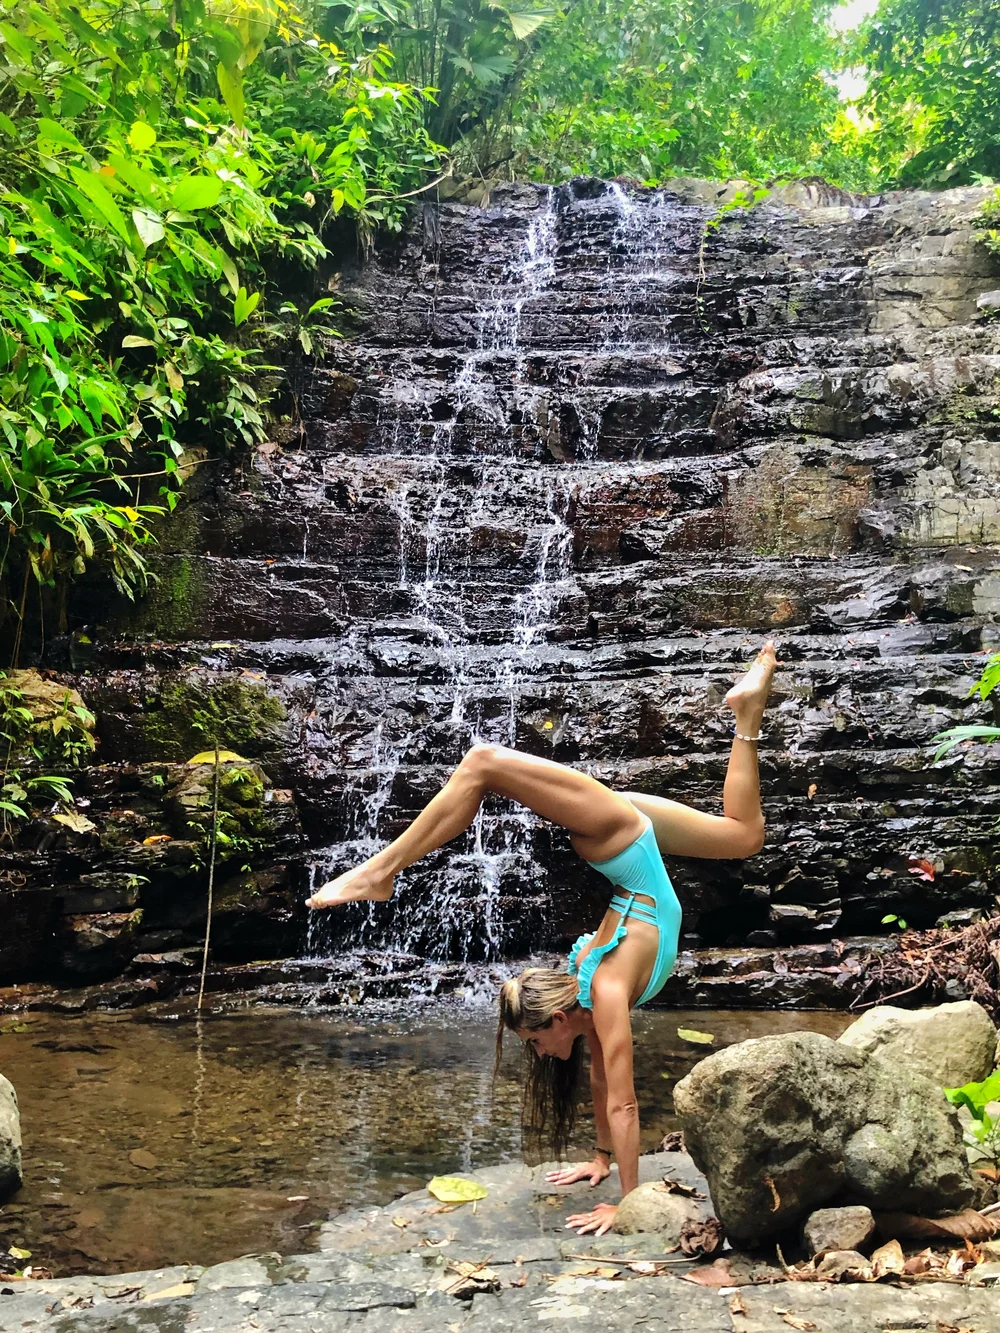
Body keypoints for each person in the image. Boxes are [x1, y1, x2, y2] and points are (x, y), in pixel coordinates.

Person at [307, 642, 777, 1236]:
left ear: (558, 1019)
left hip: (621, 834)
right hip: (627, 838)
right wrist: (602, 1163)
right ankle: (748, 714)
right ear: (561, 1017)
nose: (539, 1051)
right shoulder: (598, 993)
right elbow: (611, 1085)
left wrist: (625, 1204)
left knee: (483, 763)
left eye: (531, 1041)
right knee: (743, 837)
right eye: (535, 1042)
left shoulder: (603, 986)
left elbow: (625, 1102)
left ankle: (381, 871)